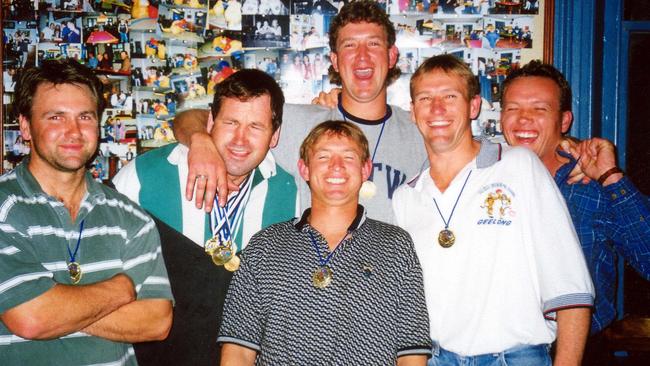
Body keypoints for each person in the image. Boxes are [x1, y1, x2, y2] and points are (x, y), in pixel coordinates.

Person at [392, 55, 594, 365]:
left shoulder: (519, 166)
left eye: (450, 96)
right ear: (413, 111)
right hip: (436, 358)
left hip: (513, 358)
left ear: (473, 107)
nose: (437, 109)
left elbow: (572, 291)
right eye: (425, 98)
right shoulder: (406, 197)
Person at [172, 0, 427, 224]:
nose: (362, 57)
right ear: (335, 61)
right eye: (350, 46)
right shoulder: (299, 122)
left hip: (389, 275)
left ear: (392, 56)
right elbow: (190, 118)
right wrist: (201, 141)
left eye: (373, 44)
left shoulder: (420, 131)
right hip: (315, 274)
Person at [113, 69, 298, 366]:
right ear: (210, 121)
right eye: (231, 122)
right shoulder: (141, 178)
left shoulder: (289, 194)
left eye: (256, 127)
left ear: (274, 136)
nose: (240, 139)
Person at [0, 59, 173, 365]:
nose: (74, 131)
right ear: (25, 127)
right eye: (56, 117)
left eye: (85, 117)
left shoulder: (130, 218)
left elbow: (156, 322)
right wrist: (121, 289)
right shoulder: (4, 207)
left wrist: (56, 304)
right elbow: (31, 318)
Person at [218, 121, 431, 365]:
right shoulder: (264, 246)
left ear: (365, 169)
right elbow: (238, 349)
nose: (336, 167)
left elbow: (412, 351)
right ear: (304, 169)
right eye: (323, 157)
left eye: (348, 157)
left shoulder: (396, 245)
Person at [499, 60, 650, 365]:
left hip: (584, 351)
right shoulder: (487, 179)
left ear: (564, 120)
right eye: (513, 108)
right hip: (503, 351)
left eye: (540, 109)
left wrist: (610, 175)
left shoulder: (591, 186)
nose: (524, 119)